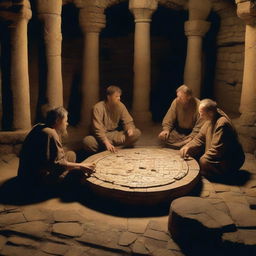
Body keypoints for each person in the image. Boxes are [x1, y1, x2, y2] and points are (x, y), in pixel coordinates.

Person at [18, 107, 95, 186]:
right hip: (36, 181)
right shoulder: (50, 133)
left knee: (71, 154)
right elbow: (58, 165)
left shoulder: (38, 126)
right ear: (58, 120)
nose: (67, 124)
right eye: (65, 121)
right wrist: (81, 166)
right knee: (78, 175)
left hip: (25, 175)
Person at [180, 99, 245, 180]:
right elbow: (199, 138)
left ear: (210, 113)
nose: (200, 117)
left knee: (203, 162)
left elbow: (217, 150)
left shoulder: (222, 124)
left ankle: (222, 176)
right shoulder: (211, 118)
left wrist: (202, 158)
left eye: (202, 114)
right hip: (217, 153)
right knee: (190, 151)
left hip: (229, 159)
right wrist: (188, 146)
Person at [83, 85, 141, 153]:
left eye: (119, 96)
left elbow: (128, 121)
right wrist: (106, 142)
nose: (119, 98)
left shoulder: (120, 105)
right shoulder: (97, 108)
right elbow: (97, 129)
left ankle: (111, 147)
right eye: (116, 96)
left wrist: (129, 129)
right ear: (109, 97)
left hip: (113, 135)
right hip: (99, 136)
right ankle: (108, 146)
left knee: (136, 133)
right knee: (88, 141)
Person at [158, 84, 204, 149]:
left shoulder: (199, 105)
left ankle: (185, 143)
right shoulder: (176, 102)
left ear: (189, 97)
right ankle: (182, 144)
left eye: (181, 97)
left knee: (197, 141)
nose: (178, 99)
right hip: (179, 132)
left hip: (191, 133)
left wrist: (191, 137)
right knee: (164, 137)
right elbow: (169, 117)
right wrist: (166, 130)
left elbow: (199, 126)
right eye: (177, 96)